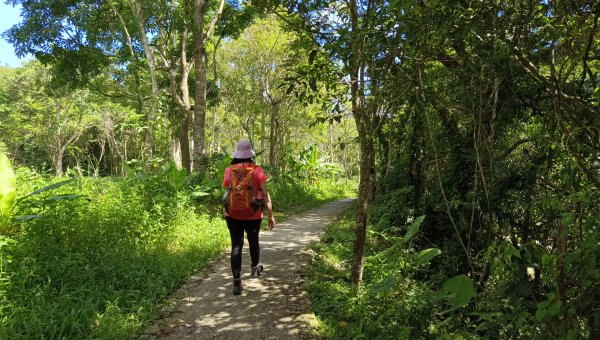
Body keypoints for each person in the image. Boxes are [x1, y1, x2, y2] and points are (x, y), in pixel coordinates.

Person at [223, 140, 276, 295]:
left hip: (232, 215)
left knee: (236, 246)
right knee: (254, 242)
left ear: (237, 154)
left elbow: (227, 191)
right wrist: (270, 215)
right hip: (253, 214)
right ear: (250, 154)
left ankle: (237, 284)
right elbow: (265, 195)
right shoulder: (258, 171)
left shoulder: (229, 170)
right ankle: (254, 268)